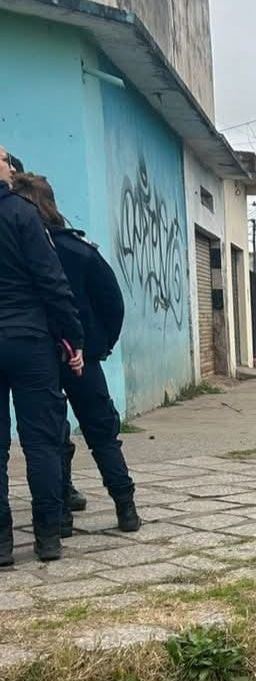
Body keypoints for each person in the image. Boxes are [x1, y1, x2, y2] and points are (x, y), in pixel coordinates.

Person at [11, 173, 141, 536]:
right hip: (83, 358)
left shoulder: (17, 255)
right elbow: (112, 302)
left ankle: (61, 518)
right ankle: (126, 507)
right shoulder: (80, 250)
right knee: (102, 432)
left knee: (49, 436)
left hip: (38, 354)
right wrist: (99, 345)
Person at [0, 146, 84, 563]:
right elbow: (52, 280)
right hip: (29, 340)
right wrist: (72, 336)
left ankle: (2, 544)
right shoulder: (22, 213)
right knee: (42, 441)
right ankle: (48, 536)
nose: (11, 165)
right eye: (5, 159)